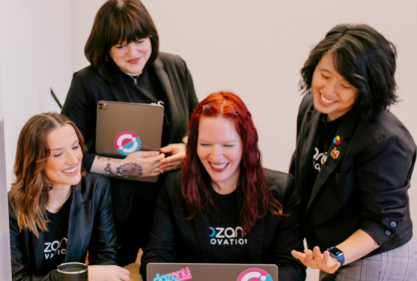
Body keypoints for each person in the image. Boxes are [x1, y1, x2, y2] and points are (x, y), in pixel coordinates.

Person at [61, 0, 198, 265]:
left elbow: (196, 125)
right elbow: (68, 154)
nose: (132, 52)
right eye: (120, 45)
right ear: (106, 47)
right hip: (116, 209)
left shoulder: (175, 67)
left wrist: (185, 147)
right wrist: (125, 167)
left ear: (151, 37)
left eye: (139, 40)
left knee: (168, 270)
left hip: (172, 201)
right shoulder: (87, 83)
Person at [288, 24, 417, 280]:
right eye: (324, 75)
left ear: (368, 88)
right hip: (333, 252)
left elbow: (384, 222)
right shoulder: (311, 108)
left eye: (346, 84)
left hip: (376, 255)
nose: (328, 91)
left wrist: (336, 255)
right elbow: (301, 178)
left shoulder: (385, 139)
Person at [139, 92, 306, 281]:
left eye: (228, 145)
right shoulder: (174, 188)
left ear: (246, 144)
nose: (215, 156)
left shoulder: (282, 191)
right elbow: (155, 263)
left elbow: (292, 268)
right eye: (205, 144)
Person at [8, 113, 130, 281]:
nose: (74, 160)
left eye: (75, 147)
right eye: (58, 154)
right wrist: (76, 276)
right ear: (35, 161)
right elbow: (17, 279)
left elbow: (105, 255)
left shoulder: (95, 188)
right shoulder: (11, 207)